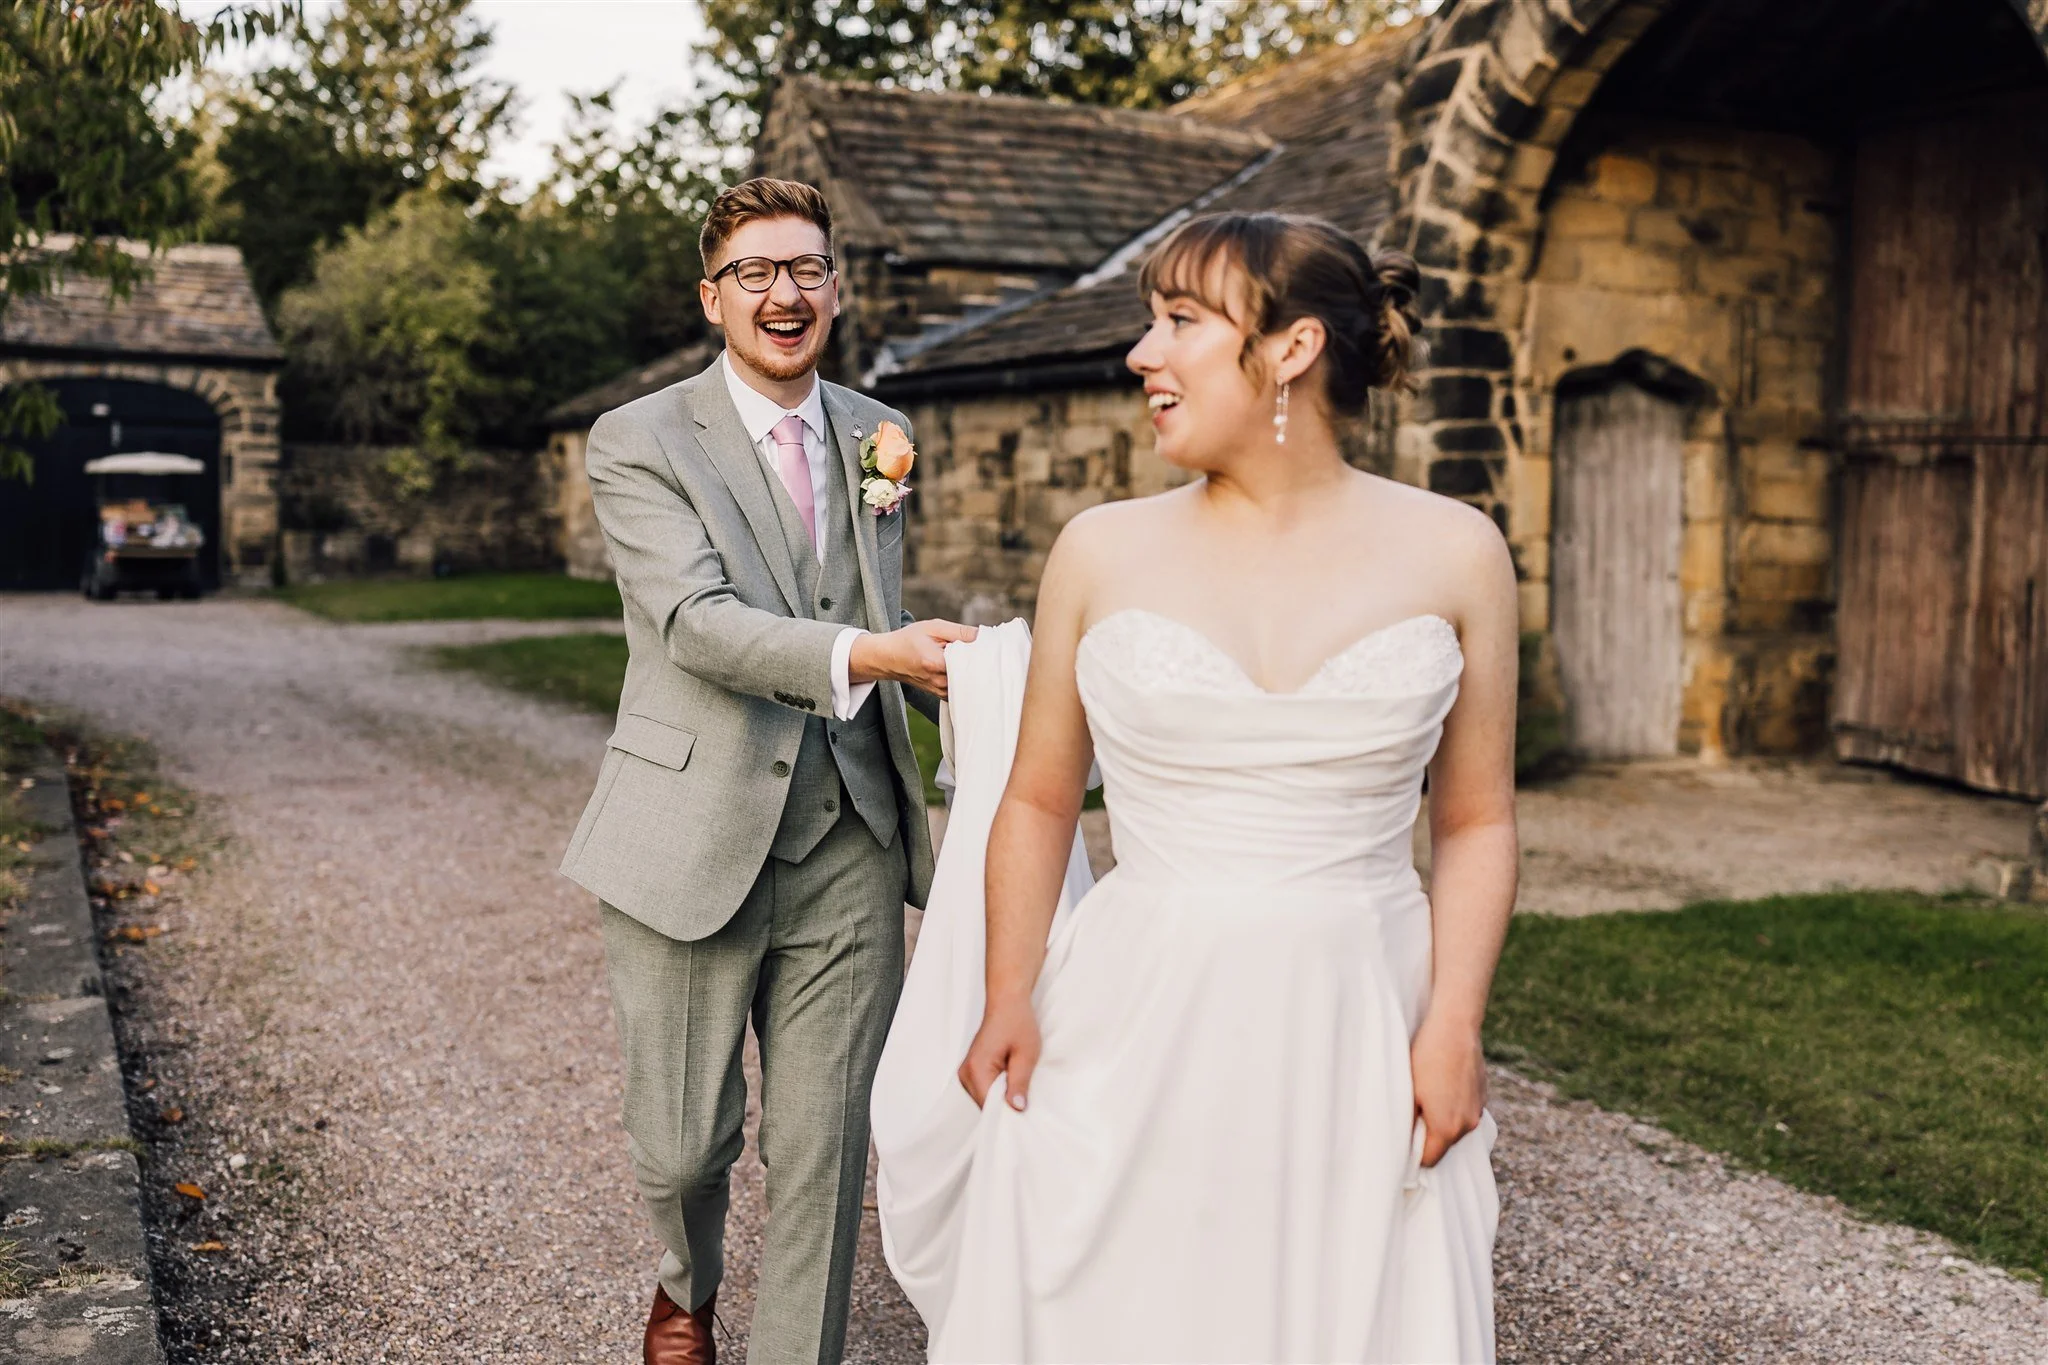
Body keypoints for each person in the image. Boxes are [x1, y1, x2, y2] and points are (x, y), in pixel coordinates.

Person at [909, 211, 1520, 1360]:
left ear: (1289, 350)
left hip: (1357, 1009)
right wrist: (1006, 993)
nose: (1141, 355)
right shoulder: (1099, 550)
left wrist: (1453, 1023)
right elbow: (1041, 798)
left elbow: (1477, 819)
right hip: (1135, 1010)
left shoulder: (1456, 552)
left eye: (1179, 322)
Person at [557, 176, 974, 1365]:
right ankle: (684, 1285)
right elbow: (693, 621)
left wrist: (941, 662)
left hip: (850, 833)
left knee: (830, 1146)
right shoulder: (636, 441)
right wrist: (875, 653)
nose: (782, 294)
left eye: (805, 270)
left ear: (834, 289)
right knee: (684, 1143)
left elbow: (854, 597)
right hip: (690, 831)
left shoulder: (880, 434)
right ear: (712, 298)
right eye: (754, 273)